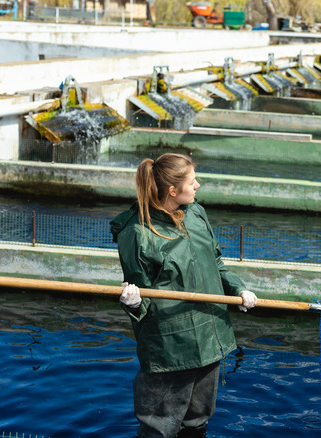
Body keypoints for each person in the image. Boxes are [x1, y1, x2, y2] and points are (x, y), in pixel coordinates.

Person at [110, 153, 257, 438]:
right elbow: (142, 296)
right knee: (158, 427)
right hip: (170, 349)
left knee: (197, 422)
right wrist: (134, 301)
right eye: (192, 181)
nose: (198, 185)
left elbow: (215, 263)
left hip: (210, 338)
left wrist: (239, 288)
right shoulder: (137, 233)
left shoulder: (197, 214)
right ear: (173, 190)